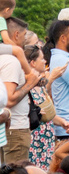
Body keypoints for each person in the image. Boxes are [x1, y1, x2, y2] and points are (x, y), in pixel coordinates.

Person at [0, 18, 39, 162]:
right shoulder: (11, 61)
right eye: (24, 36)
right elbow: (9, 100)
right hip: (14, 130)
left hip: (7, 129)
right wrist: (30, 83)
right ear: (16, 35)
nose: (25, 41)